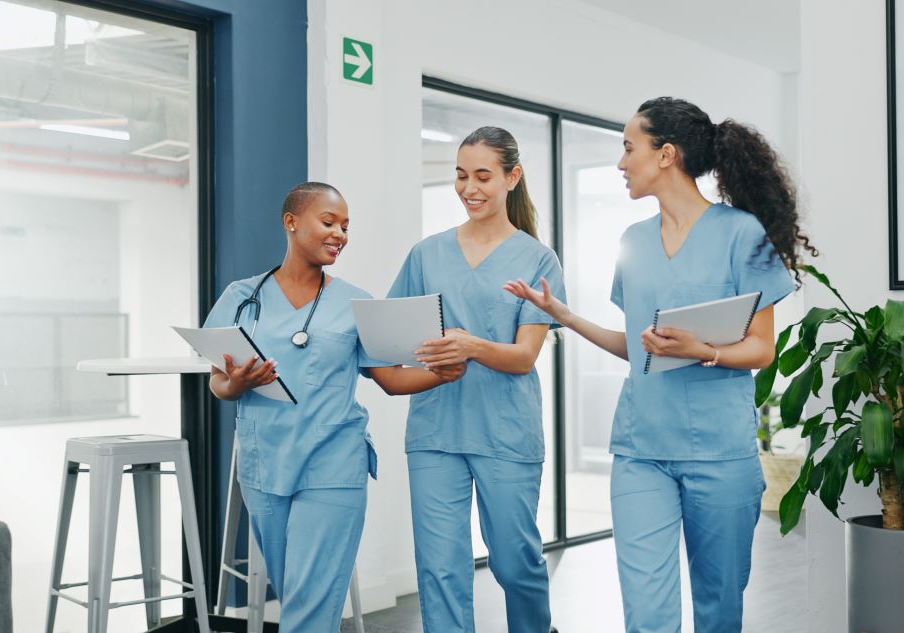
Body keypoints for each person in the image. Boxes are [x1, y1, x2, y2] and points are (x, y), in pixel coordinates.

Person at [506, 98, 817, 633]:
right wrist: (562, 315)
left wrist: (704, 350)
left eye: (630, 148)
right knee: (647, 612)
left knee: (719, 608)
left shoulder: (741, 234)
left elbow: (762, 348)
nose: (621, 162)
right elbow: (637, 345)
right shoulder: (632, 242)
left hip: (720, 454)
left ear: (667, 154)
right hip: (641, 451)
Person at [204, 182, 465, 632]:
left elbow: (389, 378)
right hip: (264, 462)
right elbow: (218, 383)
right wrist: (236, 383)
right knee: (296, 594)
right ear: (291, 222)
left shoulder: (354, 302)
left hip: (333, 463)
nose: (340, 234)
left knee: (310, 604)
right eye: (328, 222)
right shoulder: (240, 296)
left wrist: (440, 374)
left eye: (345, 227)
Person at [389, 127, 565, 633]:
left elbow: (525, 356)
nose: (470, 187)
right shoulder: (426, 254)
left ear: (513, 177)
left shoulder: (536, 258)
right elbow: (395, 338)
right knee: (440, 568)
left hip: (504, 431)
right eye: (461, 176)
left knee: (515, 562)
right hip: (435, 432)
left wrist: (471, 345)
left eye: (483, 176)